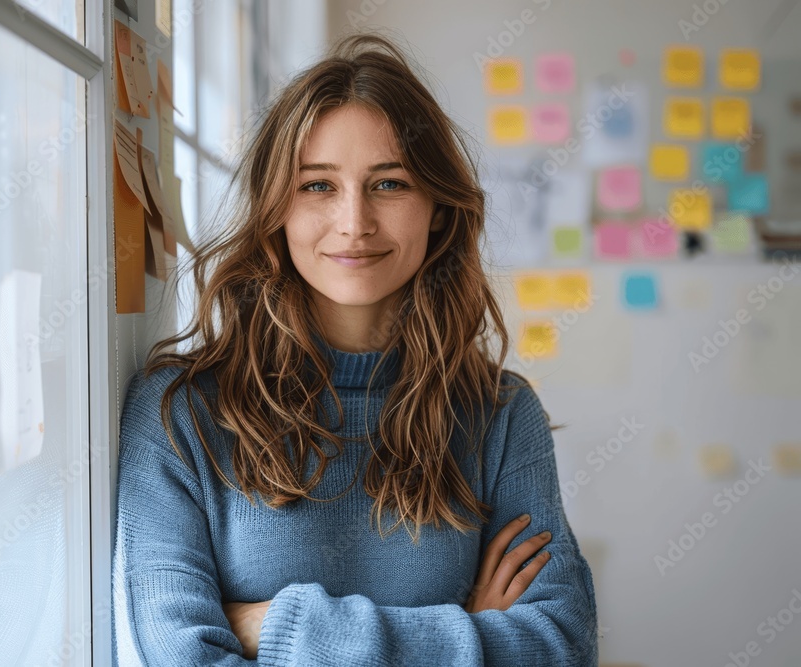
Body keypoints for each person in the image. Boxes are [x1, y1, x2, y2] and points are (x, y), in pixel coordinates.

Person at [113, 33, 598, 666]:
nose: (354, 222)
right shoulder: (178, 414)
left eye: (389, 184)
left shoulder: (501, 413)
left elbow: (559, 648)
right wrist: (463, 635)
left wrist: (283, 628)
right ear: (275, 209)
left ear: (439, 210)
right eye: (317, 186)